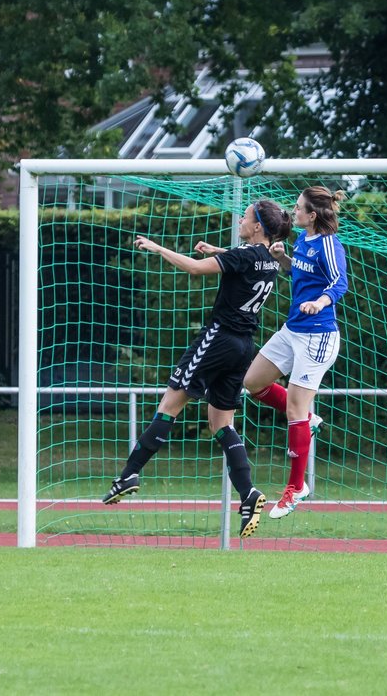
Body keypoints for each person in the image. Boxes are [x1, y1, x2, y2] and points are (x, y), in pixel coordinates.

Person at [102, 200, 293, 538]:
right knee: (221, 423)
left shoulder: (246, 256)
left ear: (258, 227)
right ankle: (248, 493)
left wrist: (157, 247)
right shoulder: (270, 261)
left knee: (170, 404)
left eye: (246, 217)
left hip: (217, 340)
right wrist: (218, 250)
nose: (241, 220)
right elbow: (243, 260)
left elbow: (194, 268)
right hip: (244, 347)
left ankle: (129, 474)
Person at [244, 186, 349, 520]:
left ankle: (296, 488)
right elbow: (298, 272)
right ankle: (309, 419)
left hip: (318, 337)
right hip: (293, 331)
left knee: (294, 409)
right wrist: (282, 259)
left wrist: (319, 302)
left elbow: (339, 283)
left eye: (299, 208)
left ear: (312, 215)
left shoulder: (330, 244)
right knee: (253, 382)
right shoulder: (302, 240)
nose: (294, 211)